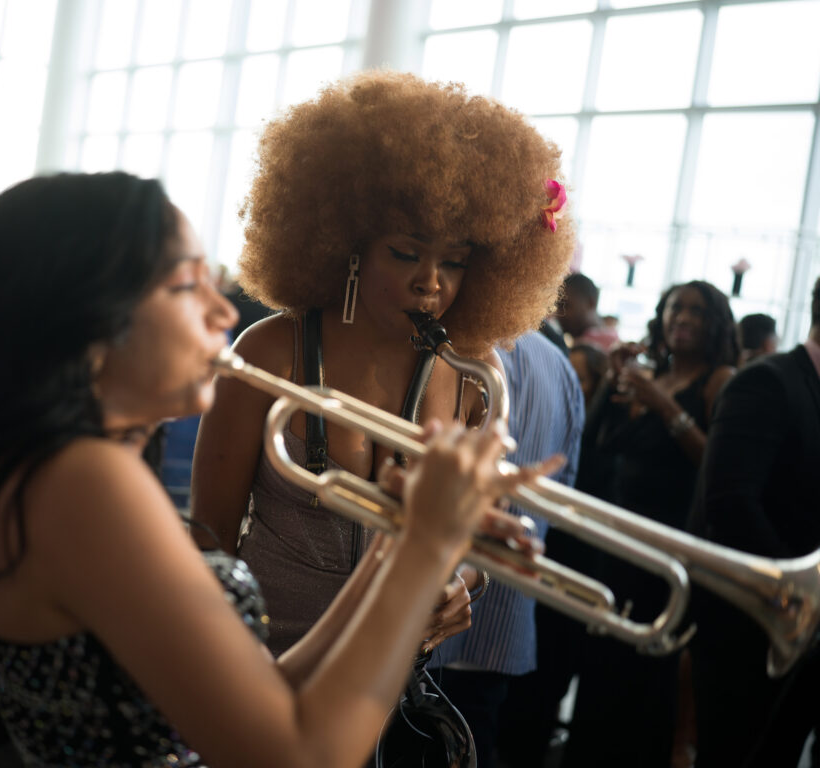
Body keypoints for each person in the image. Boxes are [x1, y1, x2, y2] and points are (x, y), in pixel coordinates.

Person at [0, 172, 546, 768]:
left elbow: (268, 693)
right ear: (90, 321)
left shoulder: (54, 471)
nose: (223, 309)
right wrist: (424, 551)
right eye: (189, 285)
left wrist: (399, 544)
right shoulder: (86, 481)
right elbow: (298, 756)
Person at [191, 70, 574, 663]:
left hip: (390, 685)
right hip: (257, 664)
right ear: (349, 244)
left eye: (455, 261)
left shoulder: (475, 373)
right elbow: (210, 536)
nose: (431, 281)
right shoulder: (269, 351)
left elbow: (474, 540)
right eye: (405, 253)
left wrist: (462, 585)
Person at [562, 280, 738, 768]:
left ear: (715, 323)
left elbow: (713, 466)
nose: (682, 318)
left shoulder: (719, 380)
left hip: (668, 552)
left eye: (696, 311)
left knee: (645, 678)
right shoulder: (651, 375)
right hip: (618, 547)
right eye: (675, 308)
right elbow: (597, 441)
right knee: (601, 669)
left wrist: (661, 405)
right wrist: (619, 377)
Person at [433, 330, 584, 766]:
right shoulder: (559, 364)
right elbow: (562, 496)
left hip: (424, 615)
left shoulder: (441, 345)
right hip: (504, 619)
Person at [686, 275, 820, 768]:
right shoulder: (767, 380)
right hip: (748, 632)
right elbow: (729, 505)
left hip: (799, 637)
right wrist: (803, 600)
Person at [556, 272, 619, 352]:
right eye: (558, 306)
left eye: (566, 305)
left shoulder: (607, 346)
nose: (559, 313)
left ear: (590, 303)